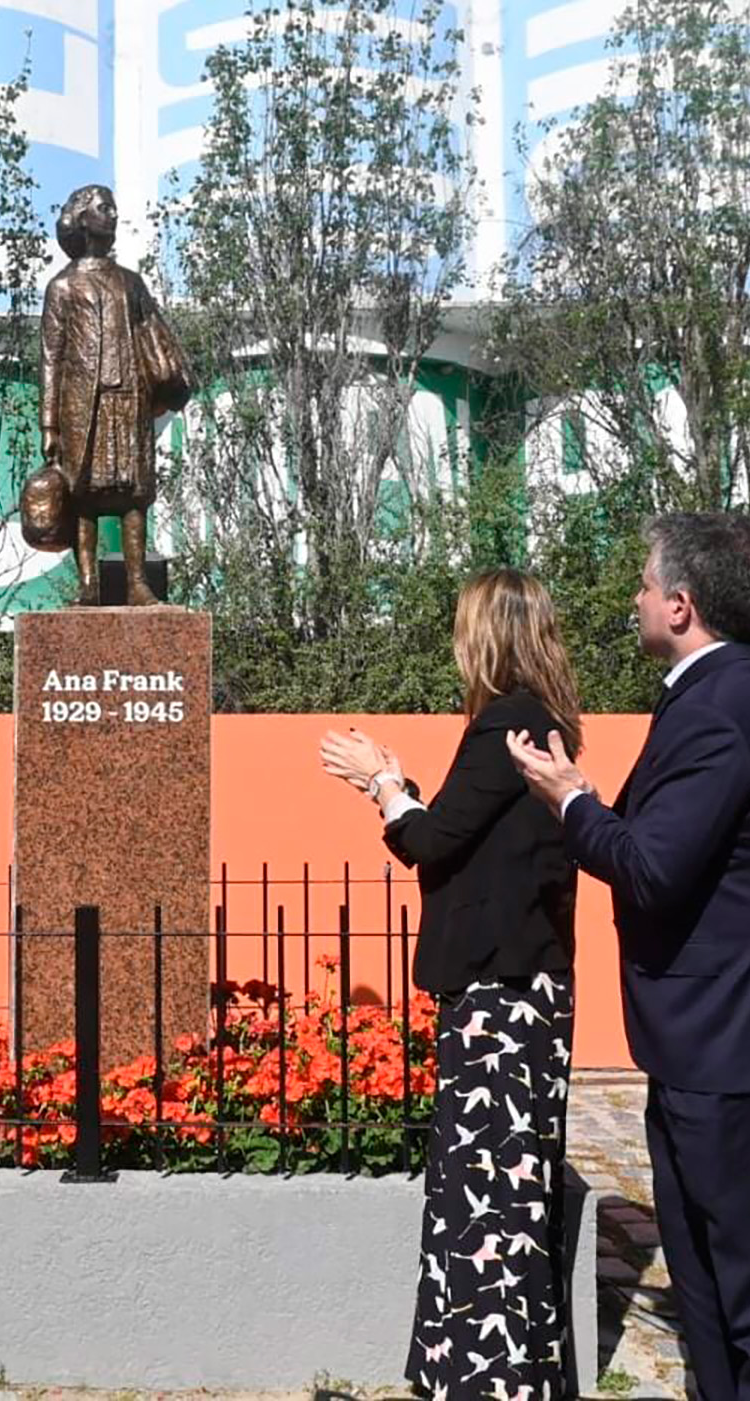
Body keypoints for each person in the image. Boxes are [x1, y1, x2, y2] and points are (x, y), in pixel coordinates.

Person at [508, 512, 750, 1401]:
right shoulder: (709, 695)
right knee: (704, 1270)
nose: (636, 598)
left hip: (740, 1042)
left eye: (647, 585)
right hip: (707, 1042)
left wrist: (571, 799)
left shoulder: (723, 711)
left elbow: (651, 868)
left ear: (683, 605)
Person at [321, 568, 582, 1401]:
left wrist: (380, 781)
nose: (456, 644)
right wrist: (403, 793)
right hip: (525, 994)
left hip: (501, 1003)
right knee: (498, 1191)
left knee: (486, 1199)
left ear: (490, 638)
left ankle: (487, 1382)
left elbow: (431, 842)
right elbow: (469, 840)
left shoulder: (506, 727)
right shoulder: (539, 728)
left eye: (465, 628)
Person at [36, 183, 192, 606]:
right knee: (83, 495)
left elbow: (154, 336)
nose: (113, 216)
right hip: (81, 405)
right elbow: (51, 360)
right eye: (105, 209)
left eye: (114, 209)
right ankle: (89, 585)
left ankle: (137, 582)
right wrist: (49, 423)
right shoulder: (63, 287)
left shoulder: (130, 283)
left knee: (133, 493)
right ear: (83, 218)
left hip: (128, 397)